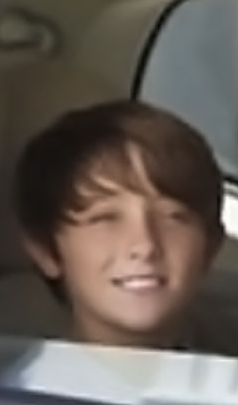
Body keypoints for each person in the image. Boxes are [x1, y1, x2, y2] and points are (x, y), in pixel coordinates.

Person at [15, 99, 224, 350]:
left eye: (173, 216)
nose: (145, 245)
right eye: (105, 218)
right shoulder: (16, 385)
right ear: (46, 251)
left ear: (210, 247)